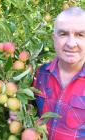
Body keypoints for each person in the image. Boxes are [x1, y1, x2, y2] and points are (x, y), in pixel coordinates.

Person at [33, 6, 85, 140]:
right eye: (63, 34)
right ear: (54, 38)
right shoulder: (39, 74)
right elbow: (31, 110)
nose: (71, 43)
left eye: (80, 35)